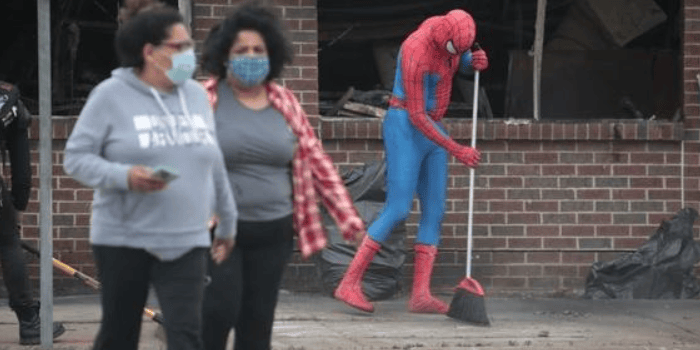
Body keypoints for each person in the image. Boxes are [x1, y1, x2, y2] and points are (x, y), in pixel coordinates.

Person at [62, 0, 238, 349]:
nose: (190, 53)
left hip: (187, 238)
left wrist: (228, 221)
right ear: (150, 52)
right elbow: (76, 159)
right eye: (180, 46)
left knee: (187, 333)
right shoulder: (109, 96)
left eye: (190, 44)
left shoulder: (196, 96)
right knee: (119, 333)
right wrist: (125, 176)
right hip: (124, 238)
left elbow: (212, 159)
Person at [199, 2, 365, 349]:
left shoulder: (284, 101)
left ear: (271, 54)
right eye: (241, 49)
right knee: (220, 310)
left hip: (274, 230)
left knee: (257, 322)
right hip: (219, 230)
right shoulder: (205, 98)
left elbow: (315, 159)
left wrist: (347, 218)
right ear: (224, 55)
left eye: (258, 50)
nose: (250, 56)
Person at [333, 9, 488, 314]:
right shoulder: (416, 50)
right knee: (398, 208)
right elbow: (417, 116)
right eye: (454, 49)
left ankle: (420, 294)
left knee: (435, 210)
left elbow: (456, 59)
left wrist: (473, 61)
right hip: (406, 124)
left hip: (433, 127)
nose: (457, 53)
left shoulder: (453, 41)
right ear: (443, 38)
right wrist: (456, 148)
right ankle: (349, 282)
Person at [0, 81, 65, 345]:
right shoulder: (8, 98)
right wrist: (16, 205)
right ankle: (30, 323)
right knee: (7, 244)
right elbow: (22, 168)